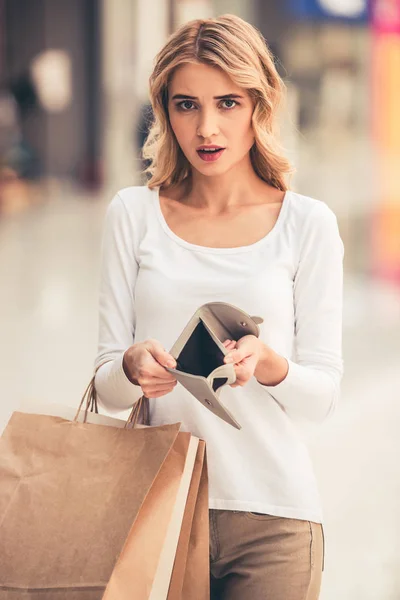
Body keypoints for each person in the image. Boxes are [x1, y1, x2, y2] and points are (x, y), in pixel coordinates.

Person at [93, 13, 344, 600]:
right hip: (155, 511)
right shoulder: (133, 215)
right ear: (164, 111)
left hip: (276, 522)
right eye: (186, 105)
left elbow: (323, 399)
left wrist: (271, 366)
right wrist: (132, 368)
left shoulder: (306, 225)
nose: (207, 127)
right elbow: (106, 390)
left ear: (260, 105)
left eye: (227, 103)